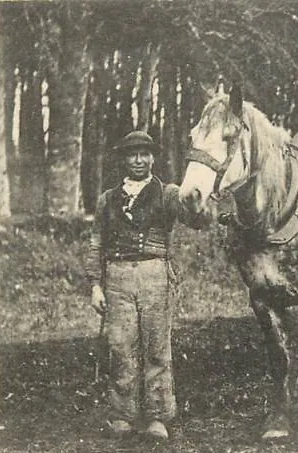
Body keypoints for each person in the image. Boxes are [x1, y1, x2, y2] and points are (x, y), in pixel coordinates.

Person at [83, 131, 183, 440]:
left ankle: (157, 417)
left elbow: (197, 217)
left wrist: (198, 200)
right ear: (124, 159)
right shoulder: (108, 198)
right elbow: (97, 241)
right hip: (117, 277)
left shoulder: (168, 194)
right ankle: (122, 414)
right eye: (132, 154)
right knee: (120, 346)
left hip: (155, 274)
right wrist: (95, 285)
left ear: (153, 157)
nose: (138, 160)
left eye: (144, 154)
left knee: (156, 347)